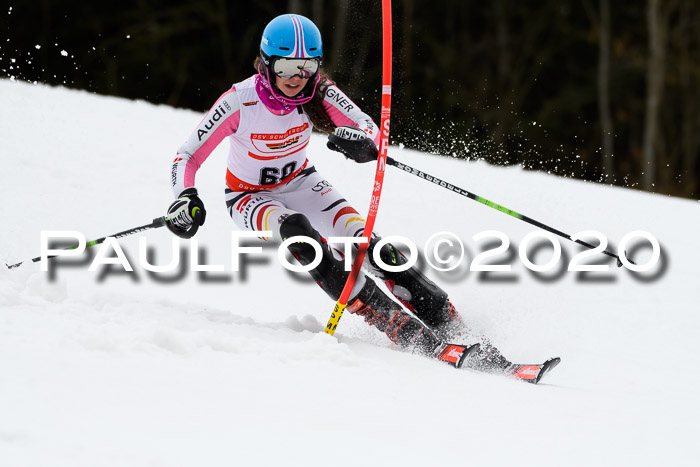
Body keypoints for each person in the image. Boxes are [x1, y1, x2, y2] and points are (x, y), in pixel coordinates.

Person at [164, 13, 513, 372]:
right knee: (299, 233)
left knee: (368, 244)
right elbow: (186, 154)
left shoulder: (322, 91)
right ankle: (393, 323)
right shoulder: (240, 101)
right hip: (249, 197)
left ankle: (451, 322)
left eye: (306, 67)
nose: (296, 79)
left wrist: (362, 142)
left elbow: (367, 126)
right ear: (266, 63)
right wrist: (184, 196)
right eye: (285, 67)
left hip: (302, 182)